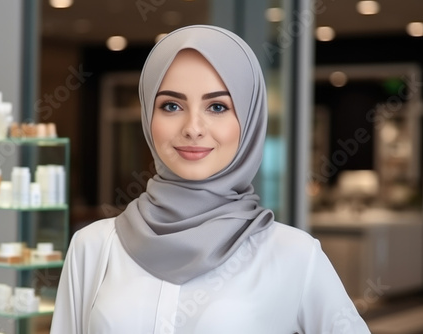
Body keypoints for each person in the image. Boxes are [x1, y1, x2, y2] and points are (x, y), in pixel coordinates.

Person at [50, 25, 370, 333]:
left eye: (217, 106)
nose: (193, 127)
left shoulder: (294, 255)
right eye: (171, 105)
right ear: (149, 117)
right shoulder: (93, 247)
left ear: (248, 120)